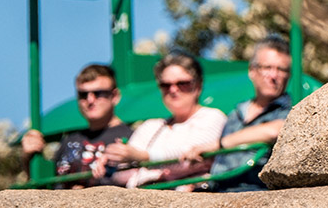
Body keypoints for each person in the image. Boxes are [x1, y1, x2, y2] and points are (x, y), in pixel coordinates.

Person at [183, 35, 294, 192]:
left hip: (256, 192)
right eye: (267, 67)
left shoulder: (290, 113)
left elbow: (273, 131)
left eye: (281, 69)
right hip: (218, 190)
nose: (274, 76)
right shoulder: (236, 113)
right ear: (252, 71)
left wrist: (218, 145)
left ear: (288, 75)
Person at [101, 51, 225, 188]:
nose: (173, 90)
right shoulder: (150, 126)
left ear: (198, 86)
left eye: (182, 83)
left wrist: (141, 157)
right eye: (166, 85)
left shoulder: (213, 117)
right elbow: (121, 174)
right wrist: (112, 160)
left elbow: (191, 157)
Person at [20, 64, 132, 188]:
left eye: (98, 93)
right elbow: (44, 189)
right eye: (83, 94)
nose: (90, 100)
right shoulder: (69, 140)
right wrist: (28, 159)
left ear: (115, 96)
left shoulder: (132, 138)